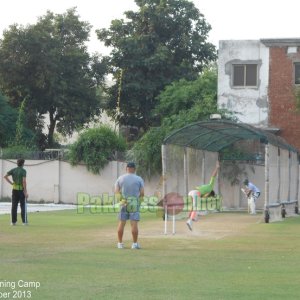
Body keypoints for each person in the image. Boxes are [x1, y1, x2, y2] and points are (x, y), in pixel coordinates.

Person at [114, 162, 144, 249]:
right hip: (134, 203)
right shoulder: (139, 179)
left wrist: (121, 200)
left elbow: (116, 191)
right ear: (134, 169)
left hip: (123, 203)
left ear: (126, 169)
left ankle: (120, 243)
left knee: (121, 223)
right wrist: (139, 203)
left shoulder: (120, 178)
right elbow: (142, 193)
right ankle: (134, 244)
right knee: (134, 224)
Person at [186, 161, 220, 231]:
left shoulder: (204, 192)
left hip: (191, 192)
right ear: (211, 193)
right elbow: (213, 176)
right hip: (195, 193)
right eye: (210, 197)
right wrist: (217, 168)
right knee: (196, 208)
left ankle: (191, 219)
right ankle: (190, 221)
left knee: (194, 208)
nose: (209, 198)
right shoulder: (210, 187)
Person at [4, 158, 29, 225]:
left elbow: (5, 176)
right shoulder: (23, 171)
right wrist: (25, 192)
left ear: (17, 163)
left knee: (14, 206)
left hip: (14, 190)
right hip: (21, 190)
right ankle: (24, 222)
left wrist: (11, 183)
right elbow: (24, 181)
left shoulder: (13, 170)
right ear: (23, 164)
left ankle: (13, 222)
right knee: (23, 206)